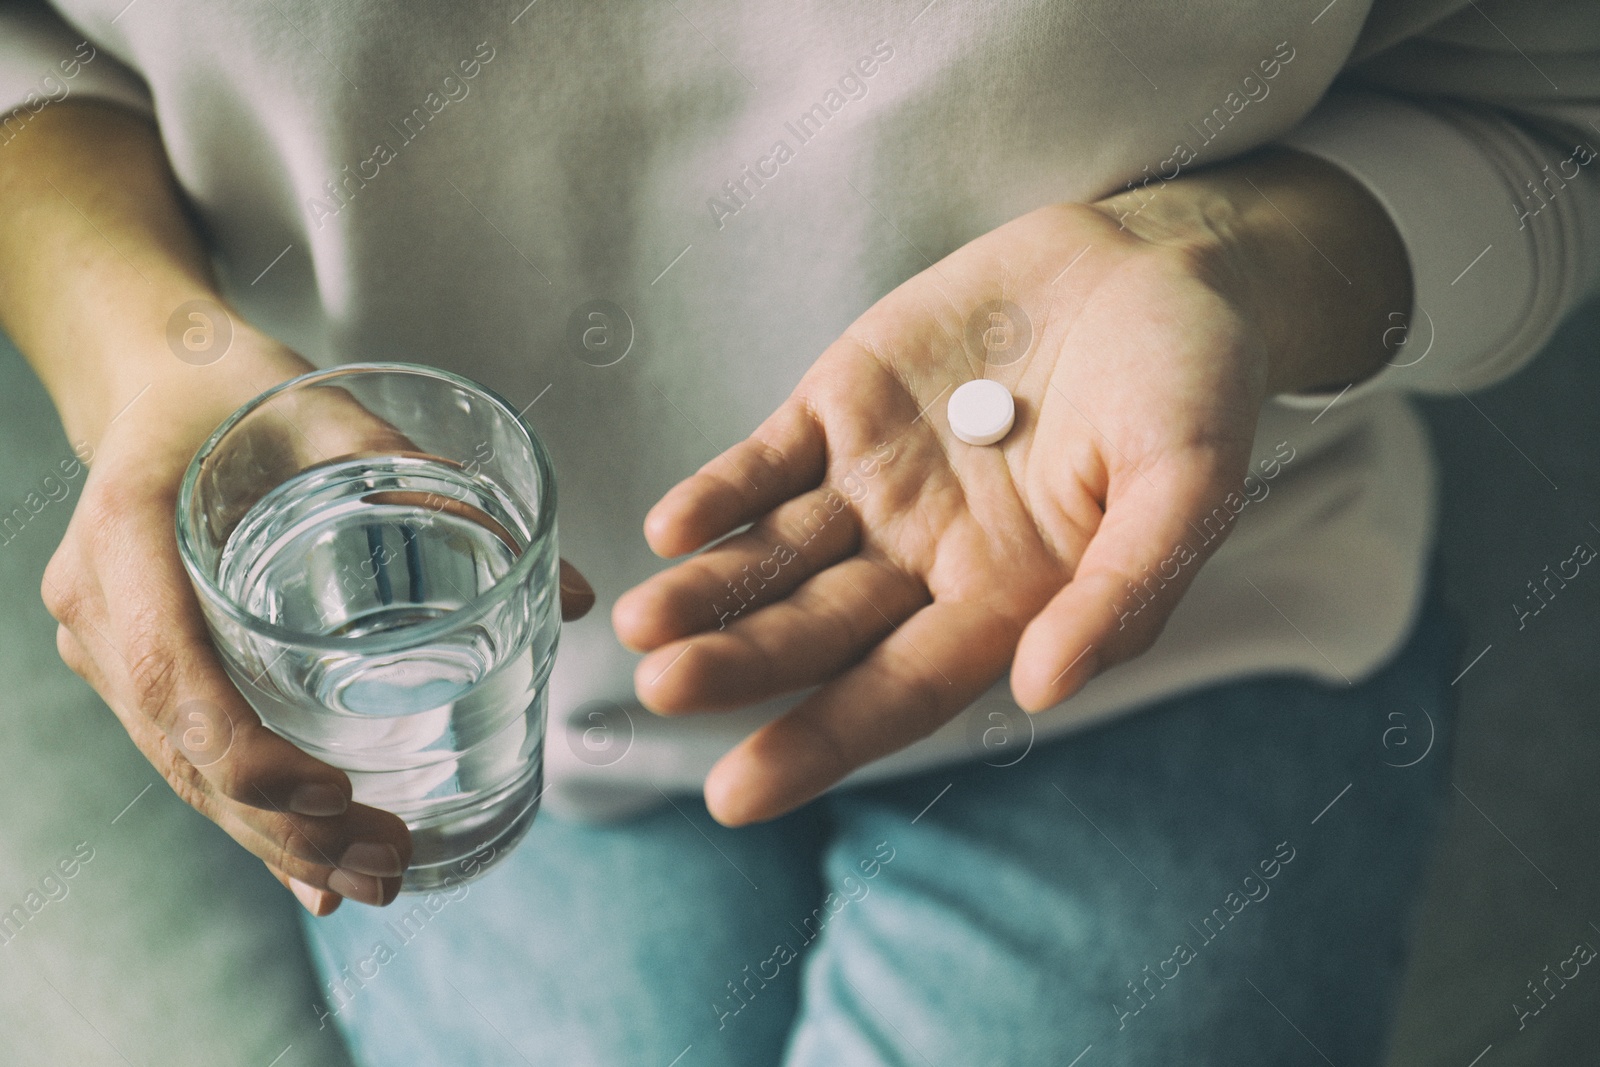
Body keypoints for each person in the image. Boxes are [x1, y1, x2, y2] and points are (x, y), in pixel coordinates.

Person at [1, 0, 1595, 1063]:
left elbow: (1551, 107)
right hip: (473, 681)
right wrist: (146, 361)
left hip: (1174, 615)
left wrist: (1217, 259)